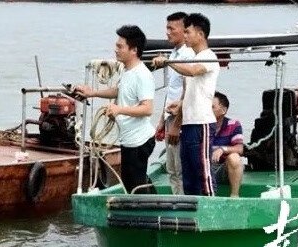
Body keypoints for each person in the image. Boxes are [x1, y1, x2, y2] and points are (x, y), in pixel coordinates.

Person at [75, 25, 155, 194]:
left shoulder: (142, 74)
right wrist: (93, 92)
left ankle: (147, 215)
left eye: (120, 46)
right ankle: (149, 207)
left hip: (139, 140)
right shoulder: (127, 70)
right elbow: (120, 91)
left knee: (134, 185)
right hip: (129, 138)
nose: (115, 50)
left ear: (134, 50)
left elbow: (147, 109)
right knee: (132, 181)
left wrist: (119, 109)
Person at [153, 13, 220, 196]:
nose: (186, 36)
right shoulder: (194, 57)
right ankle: (190, 205)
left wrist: (168, 62)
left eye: (188, 32)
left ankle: (211, 204)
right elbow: (189, 91)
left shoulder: (208, 57)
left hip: (202, 122)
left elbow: (192, 71)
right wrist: (179, 106)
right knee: (188, 171)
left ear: (200, 34)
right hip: (188, 123)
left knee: (202, 169)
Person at [155, 11, 195, 195]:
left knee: (180, 168)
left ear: (184, 30)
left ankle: (183, 202)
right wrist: (162, 121)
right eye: (167, 28)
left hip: (181, 118)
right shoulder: (174, 53)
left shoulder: (187, 54)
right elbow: (171, 90)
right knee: (171, 168)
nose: (168, 32)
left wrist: (176, 125)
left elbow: (187, 91)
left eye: (172, 28)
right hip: (170, 116)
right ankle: (175, 199)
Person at [210, 92, 245, 197]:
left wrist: (222, 149)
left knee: (234, 157)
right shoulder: (200, 125)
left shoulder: (233, 125)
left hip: (223, 168)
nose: (207, 110)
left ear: (223, 110)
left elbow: (240, 149)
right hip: (205, 167)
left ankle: (234, 195)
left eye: (212, 107)